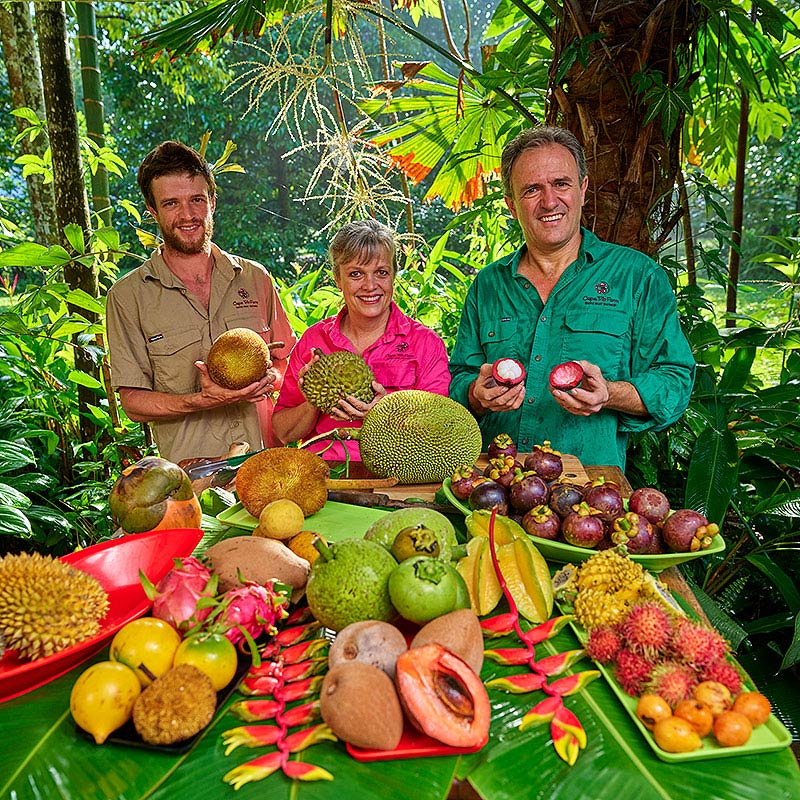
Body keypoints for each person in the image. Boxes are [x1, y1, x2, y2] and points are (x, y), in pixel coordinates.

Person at [448, 126, 695, 470]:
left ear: (583, 189)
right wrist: (477, 393)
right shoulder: (489, 285)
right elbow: (459, 379)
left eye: (561, 184)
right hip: (495, 483)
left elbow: (674, 380)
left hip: (590, 493)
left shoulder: (637, 277)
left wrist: (609, 393)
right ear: (511, 204)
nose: (549, 201)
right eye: (532, 189)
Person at [105, 141, 296, 464]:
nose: (188, 215)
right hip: (191, 480)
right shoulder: (127, 297)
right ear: (152, 210)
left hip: (267, 464)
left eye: (197, 200)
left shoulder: (255, 278)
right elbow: (134, 403)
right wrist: (202, 400)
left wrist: (267, 380)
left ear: (212, 202)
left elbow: (286, 361)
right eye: (171, 204)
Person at [272, 219, 450, 461]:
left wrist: (385, 414)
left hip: (395, 479)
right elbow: (283, 432)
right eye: (356, 274)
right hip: (323, 474)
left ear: (393, 276)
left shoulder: (425, 345)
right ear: (338, 279)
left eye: (381, 273)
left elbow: (440, 432)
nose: (370, 286)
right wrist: (315, 398)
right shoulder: (315, 340)